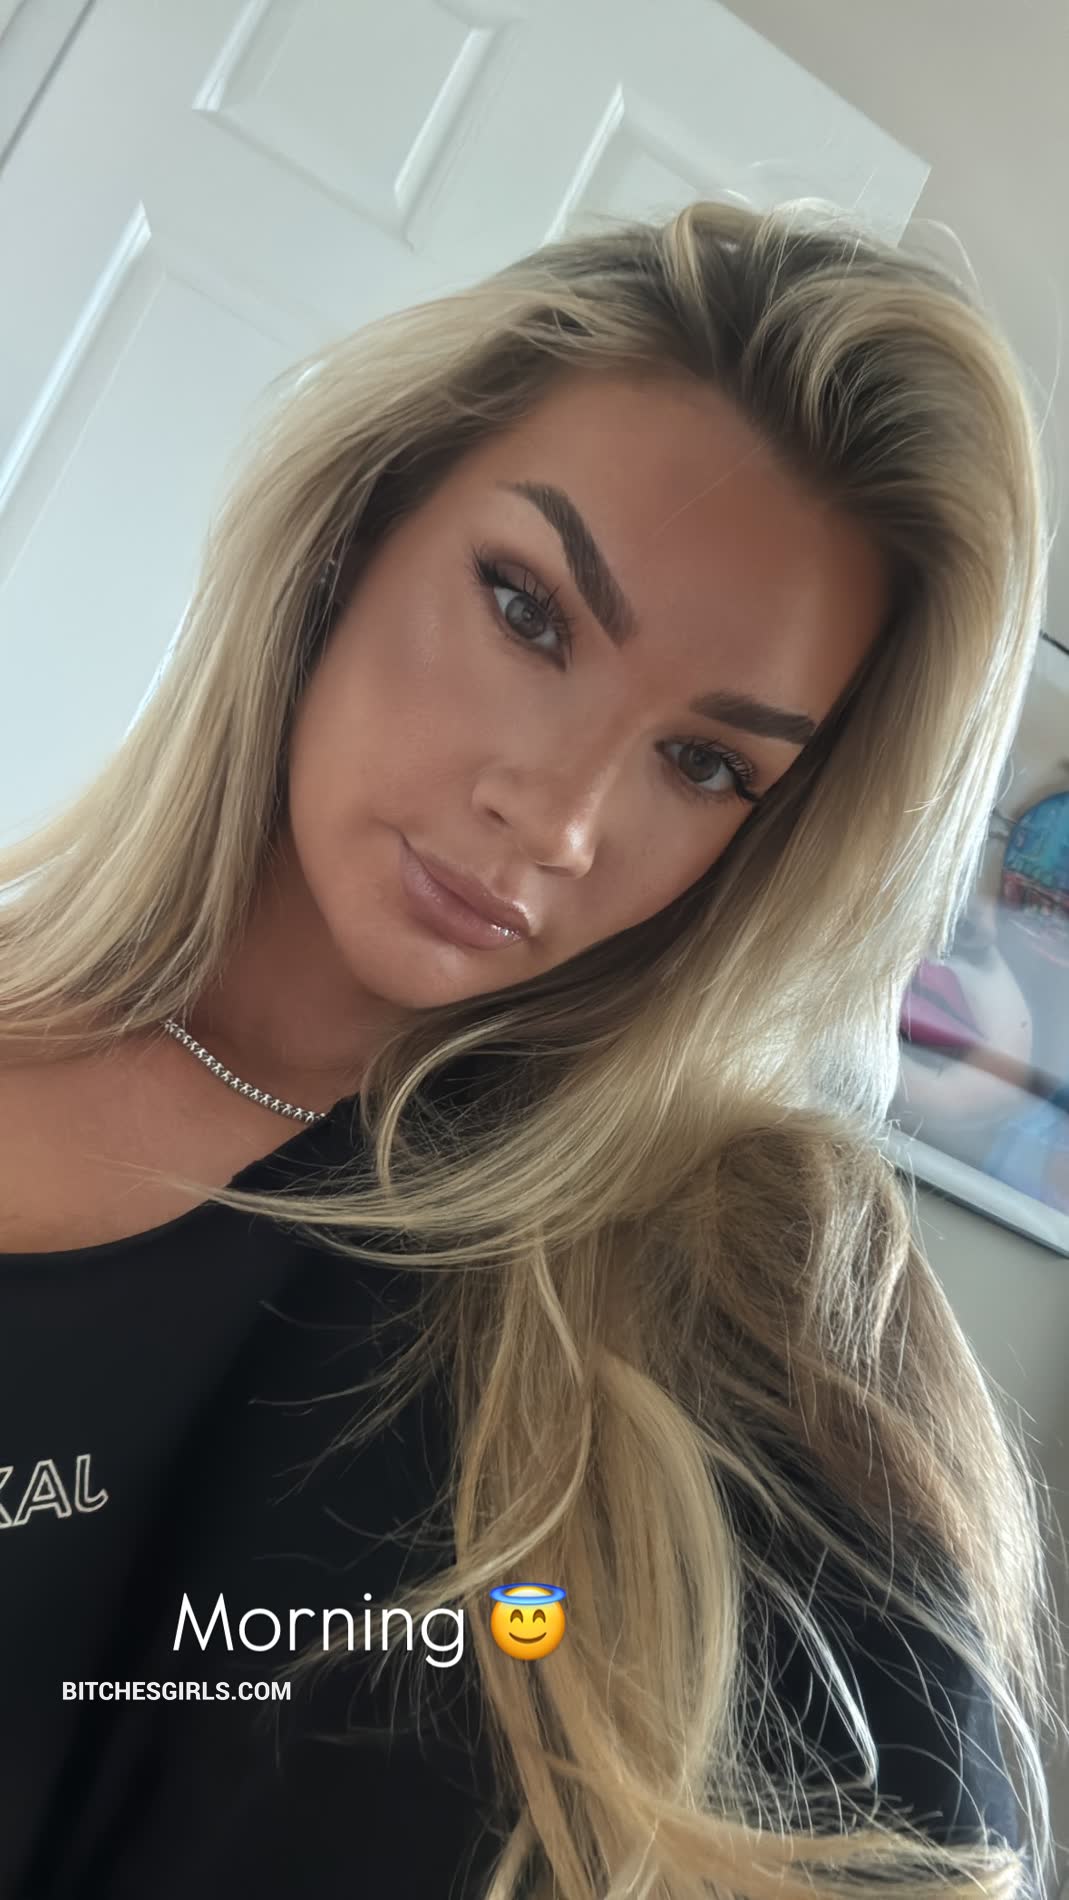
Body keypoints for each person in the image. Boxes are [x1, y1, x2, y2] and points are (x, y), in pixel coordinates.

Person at [0, 197, 1061, 1900]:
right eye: (526, 609)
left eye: (705, 766)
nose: (555, 820)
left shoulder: (722, 1284)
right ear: (358, 522)